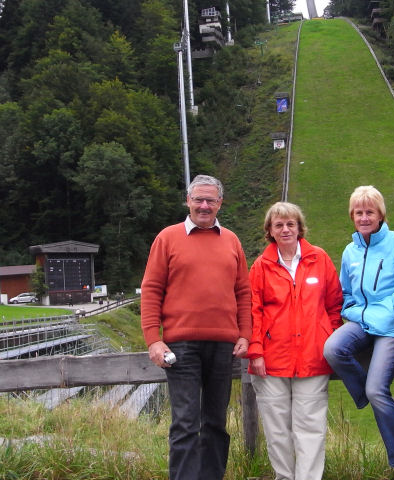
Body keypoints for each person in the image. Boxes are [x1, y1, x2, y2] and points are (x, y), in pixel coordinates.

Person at [140, 174, 252, 480]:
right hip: (181, 347)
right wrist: (153, 339)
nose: (204, 205)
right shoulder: (167, 238)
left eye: (210, 200)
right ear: (188, 201)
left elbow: (243, 292)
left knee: (216, 422)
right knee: (185, 423)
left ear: (220, 203)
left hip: (223, 346)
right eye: (198, 199)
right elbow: (151, 289)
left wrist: (245, 334)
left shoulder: (232, 241)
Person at [323, 186, 394, 480]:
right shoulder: (349, 251)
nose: (364, 218)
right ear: (352, 216)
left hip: (392, 326)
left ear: (380, 215)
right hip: (361, 321)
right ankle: (386, 407)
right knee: (332, 349)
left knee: (378, 390)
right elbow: (346, 292)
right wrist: (352, 309)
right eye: (359, 212)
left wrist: (389, 315)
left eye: (369, 212)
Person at [247, 202, 343, 480]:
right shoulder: (261, 266)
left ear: (300, 227)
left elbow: (335, 304)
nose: (285, 229)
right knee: (277, 430)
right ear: (270, 231)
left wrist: (328, 338)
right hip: (271, 361)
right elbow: (253, 311)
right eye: (279, 225)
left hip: (313, 357)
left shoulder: (319, 259)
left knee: (311, 428)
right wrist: (256, 351)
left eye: (291, 224)